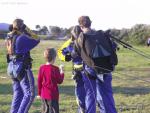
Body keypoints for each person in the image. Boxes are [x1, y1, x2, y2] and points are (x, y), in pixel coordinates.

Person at [74, 16, 117, 113]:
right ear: (90, 23)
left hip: (90, 71)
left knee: (90, 95)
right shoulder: (101, 35)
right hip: (106, 68)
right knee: (107, 96)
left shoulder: (80, 38)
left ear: (80, 26)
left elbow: (75, 53)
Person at [6, 19, 40, 113]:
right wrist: (27, 29)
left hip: (12, 68)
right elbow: (37, 39)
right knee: (29, 94)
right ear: (22, 26)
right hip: (21, 68)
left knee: (18, 93)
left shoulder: (9, 37)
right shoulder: (21, 38)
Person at [57, 25, 86, 113]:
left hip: (85, 71)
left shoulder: (73, 42)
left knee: (82, 93)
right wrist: (66, 57)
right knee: (82, 93)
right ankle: (82, 109)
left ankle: (83, 109)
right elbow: (60, 52)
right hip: (80, 72)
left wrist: (66, 57)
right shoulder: (70, 43)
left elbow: (60, 51)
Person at [37, 48, 64, 113]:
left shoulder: (41, 68)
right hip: (53, 96)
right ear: (54, 58)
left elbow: (39, 81)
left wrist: (39, 93)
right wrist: (62, 71)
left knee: (45, 110)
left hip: (43, 95)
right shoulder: (55, 69)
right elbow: (60, 81)